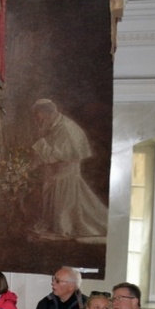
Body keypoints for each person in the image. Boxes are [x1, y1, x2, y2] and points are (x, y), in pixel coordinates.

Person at [30, 98, 107, 240]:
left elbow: (52, 157)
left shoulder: (65, 128)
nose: (37, 119)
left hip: (65, 175)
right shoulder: (55, 124)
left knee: (66, 214)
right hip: (58, 174)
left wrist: (40, 141)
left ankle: (64, 228)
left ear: (47, 112)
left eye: (38, 115)